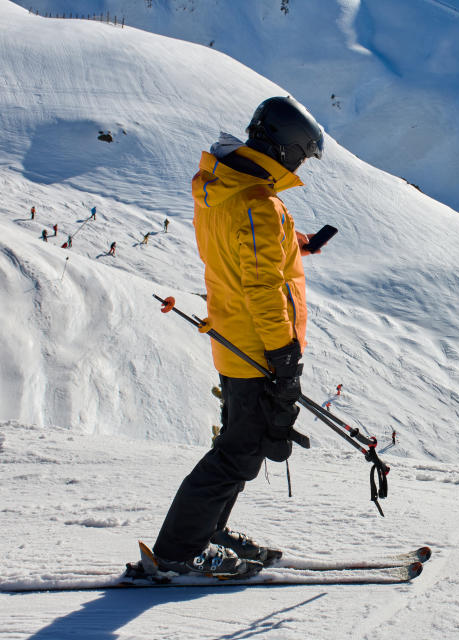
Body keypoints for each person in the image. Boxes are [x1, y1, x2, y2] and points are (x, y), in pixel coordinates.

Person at [151, 96, 326, 578]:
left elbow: (241, 248)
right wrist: (285, 356)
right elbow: (265, 286)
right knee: (237, 455)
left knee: (238, 446)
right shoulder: (258, 203)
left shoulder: (226, 187)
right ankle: (178, 552)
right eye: (304, 154)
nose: (304, 162)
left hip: (234, 340)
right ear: (288, 150)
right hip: (257, 348)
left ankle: (207, 531)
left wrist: (297, 242)